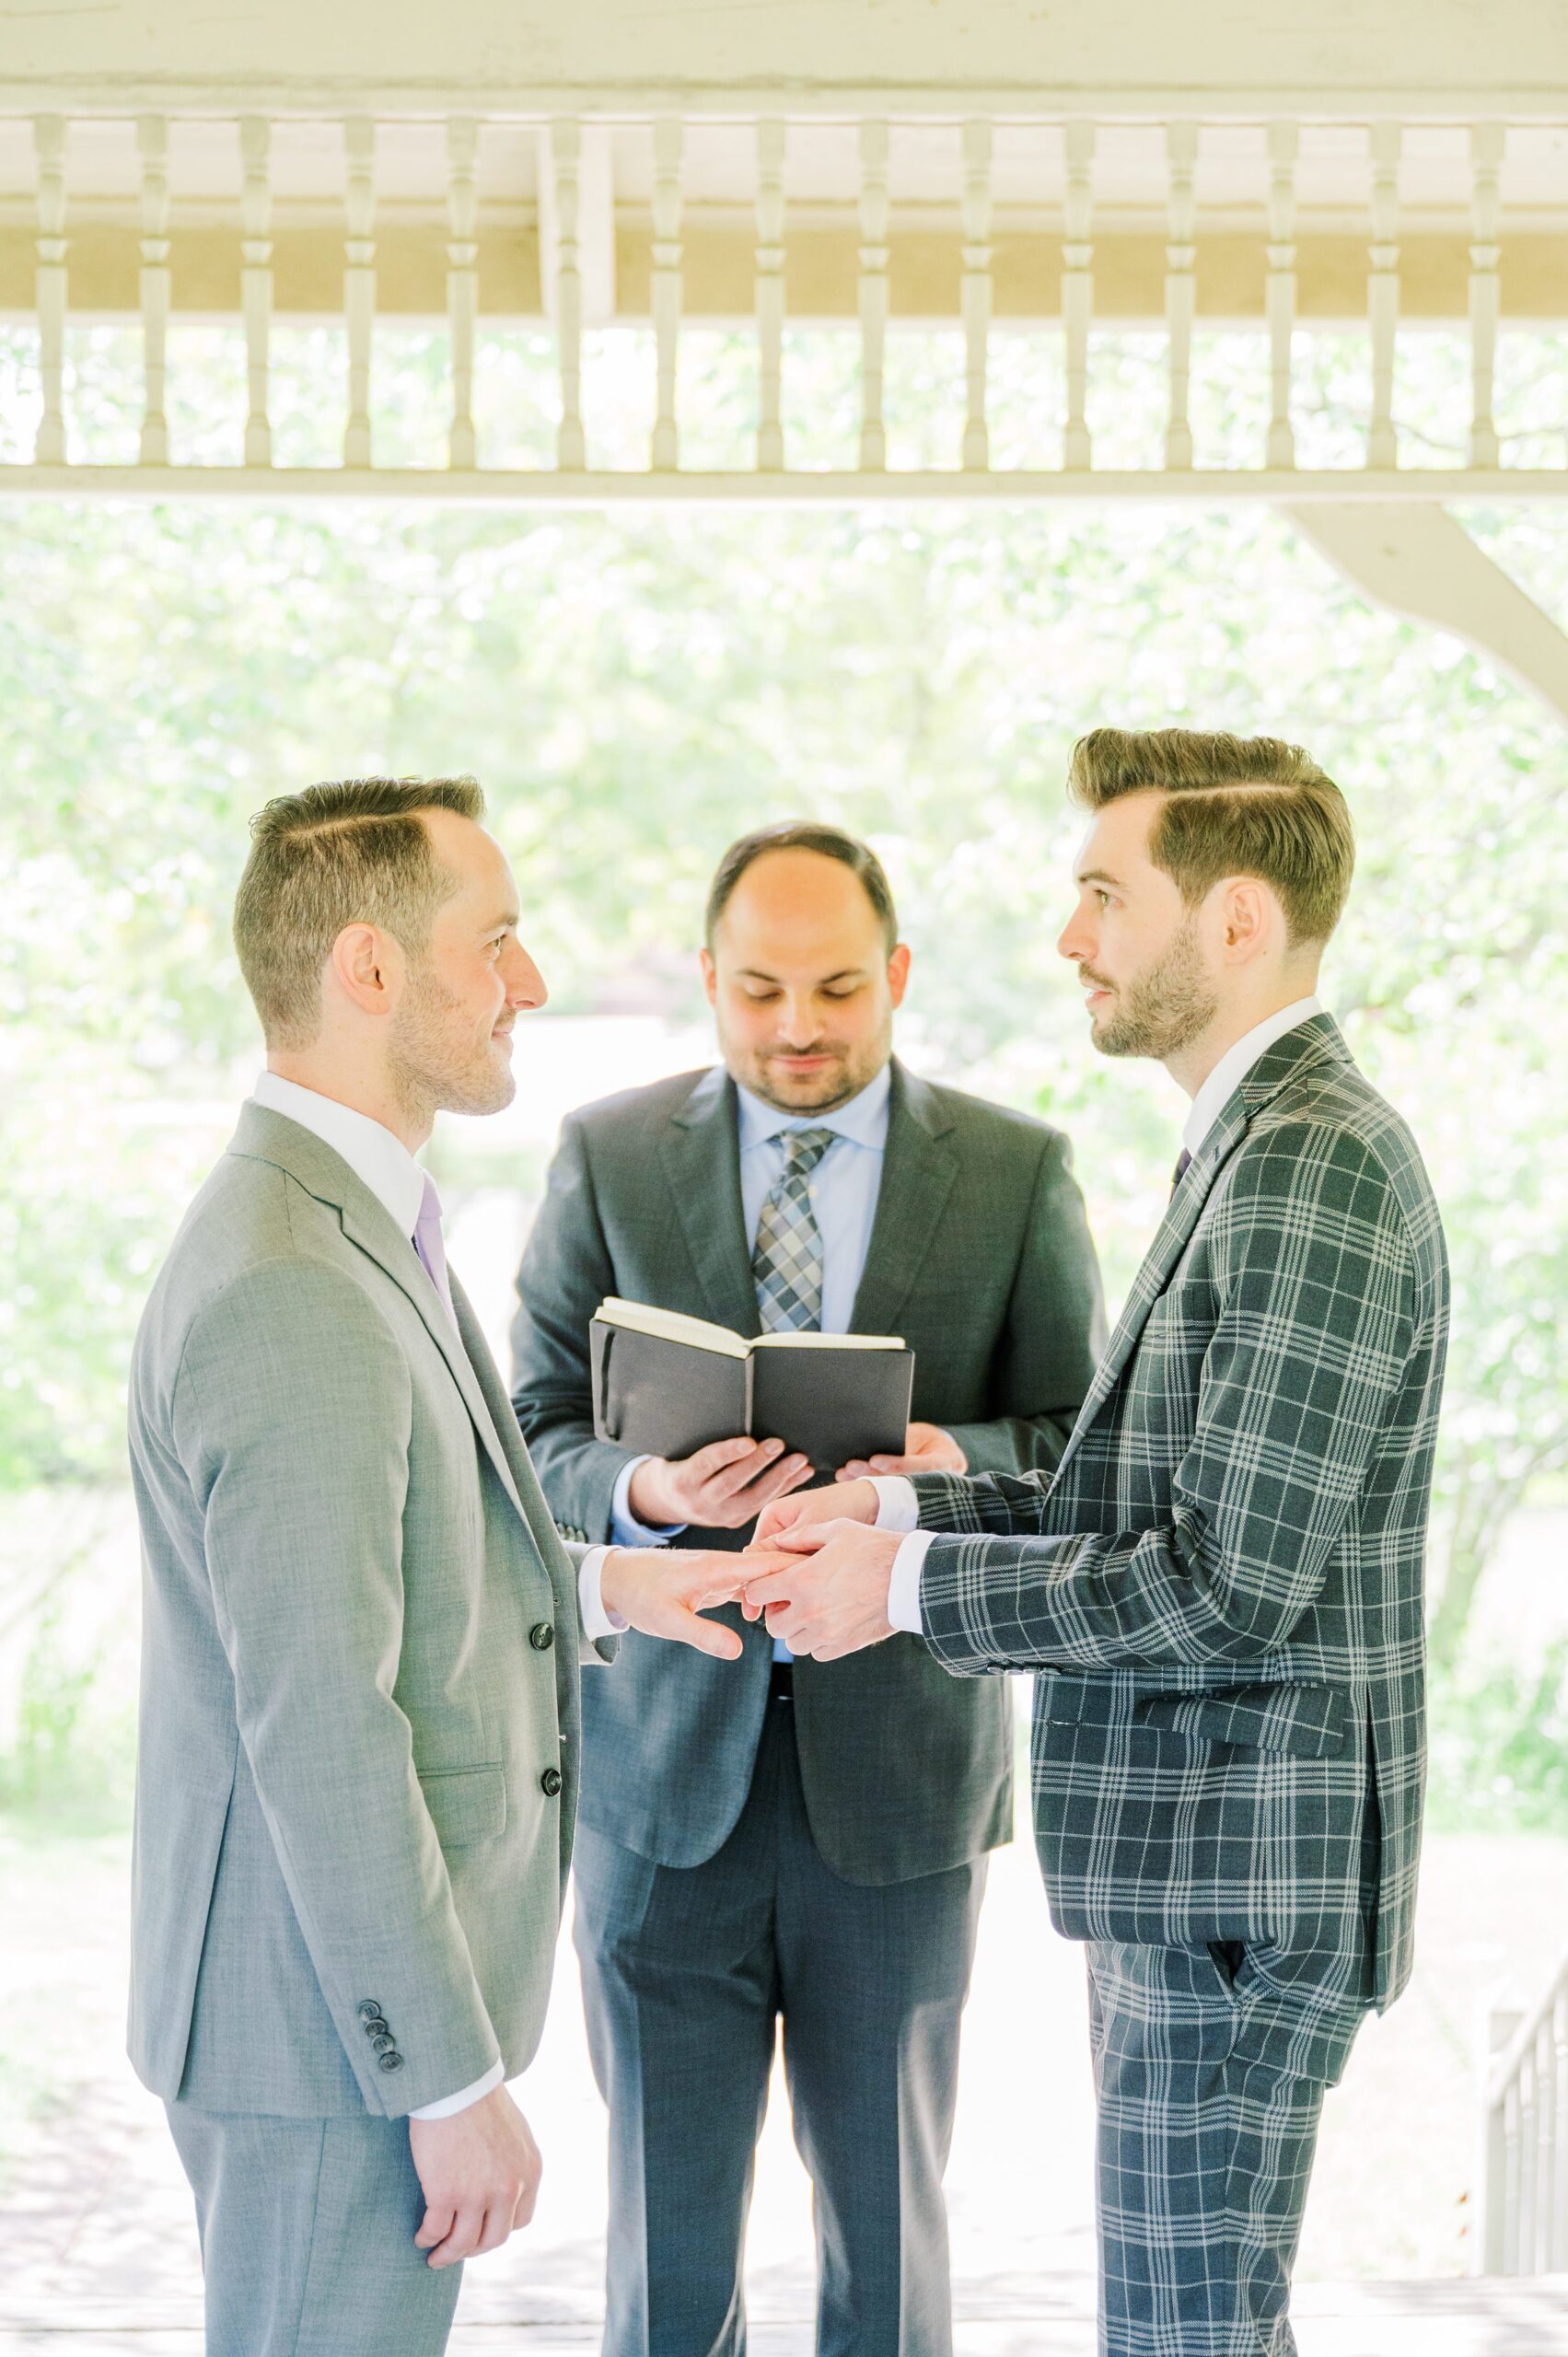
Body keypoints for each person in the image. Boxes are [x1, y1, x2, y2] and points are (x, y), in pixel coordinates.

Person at [746, 732, 1450, 2357]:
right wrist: (903, 1505)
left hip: (1235, 1890)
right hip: (1201, 1874)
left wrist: (908, 1587)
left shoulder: (1313, 1165)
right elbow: (1149, 1512)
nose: (1071, 939)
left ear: (1236, 923)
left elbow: (1227, 1583)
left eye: (1102, 895)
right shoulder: (1252, 1142)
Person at [127, 777, 752, 2357]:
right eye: (500, 942)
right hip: (327, 2042)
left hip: (322, 2019)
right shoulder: (292, 1287)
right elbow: (323, 1717)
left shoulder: (341, 1225)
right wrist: (449, 2083)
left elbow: (398, 1570)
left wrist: (613, 1584)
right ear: (370, 970)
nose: (530, 983)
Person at [510, 819, 1105, 2357]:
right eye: (760, 989)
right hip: (659, 1784)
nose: (798, 1027)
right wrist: (643, 1494)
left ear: (898, 974)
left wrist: (938, 1460)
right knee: (664, 2255)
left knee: (890, 2246)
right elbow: (524, 1433)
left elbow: (1076, 1443)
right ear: (709, 981)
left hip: (898, 1786)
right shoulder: (606, 1152)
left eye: (838, 987)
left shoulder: (1019, 1172)